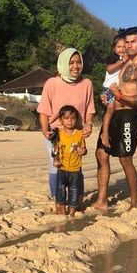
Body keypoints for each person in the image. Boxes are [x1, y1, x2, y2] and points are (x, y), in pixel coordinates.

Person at [94, 26, 137, 209]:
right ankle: (102, 200)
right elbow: (113, 83)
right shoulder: (125, 62)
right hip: (114, 113)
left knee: (125, 159)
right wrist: (108, 97)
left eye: (133, 41)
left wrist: (119, 96)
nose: (129, 45)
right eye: (126, 42)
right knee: (101, 153)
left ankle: (135, 203)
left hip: (128, 114)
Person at [37, 48, 95, 203]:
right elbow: (44, 110)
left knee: (76, 165)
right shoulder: (52, 83)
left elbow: (90, 109)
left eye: (78, 62)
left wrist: (89, 124)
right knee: (56, 165)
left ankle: (77, 198)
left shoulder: (86, 83)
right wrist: (45, 131)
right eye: (71, 63)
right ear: (63, 64)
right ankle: (58, 198)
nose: (76, 66)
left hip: (77, 132)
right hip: (55, 132)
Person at [53, 105, 87, 217]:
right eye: (66, 118)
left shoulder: (79, 134)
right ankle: (62, 210)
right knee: (60, 190)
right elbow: (55, 151)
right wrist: (55, 160)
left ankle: (72, 213)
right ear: (60, 120)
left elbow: (84, 149)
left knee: (74, 191)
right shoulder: (58, 134)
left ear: (76, 119)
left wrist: (83, 151)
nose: (69, 121)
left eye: (72, 118)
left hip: (75, 169)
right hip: (61, 169)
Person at [100, 32, 128, 148]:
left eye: (124, 47)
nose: (121, 49)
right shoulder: (113, 57)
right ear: (114, 48)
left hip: (118, 89)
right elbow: (109, 69)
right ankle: (104, 133)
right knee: (110, 109)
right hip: (108, 88)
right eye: (119, 47)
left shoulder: (129, 59)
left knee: (119, 110)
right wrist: (122, 61)